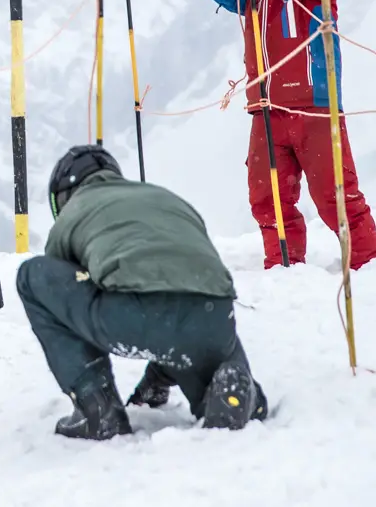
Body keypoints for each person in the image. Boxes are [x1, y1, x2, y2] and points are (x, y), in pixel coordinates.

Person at [16, 146, 265, 440]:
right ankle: (239, 393)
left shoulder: (75, 211)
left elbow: (61, 287)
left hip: (135, 314)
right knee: (196, 320)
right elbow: (177, 287)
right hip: (213, 316)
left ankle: (99, 409)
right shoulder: (164, 198)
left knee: (32, 276)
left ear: (62, 196)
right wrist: (154, 380)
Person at [202, 0, 376, 270]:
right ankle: (283, 263)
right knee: (267, 196)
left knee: (334, 194)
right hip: (267, 110)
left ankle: (368, 262)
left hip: (313, 108)